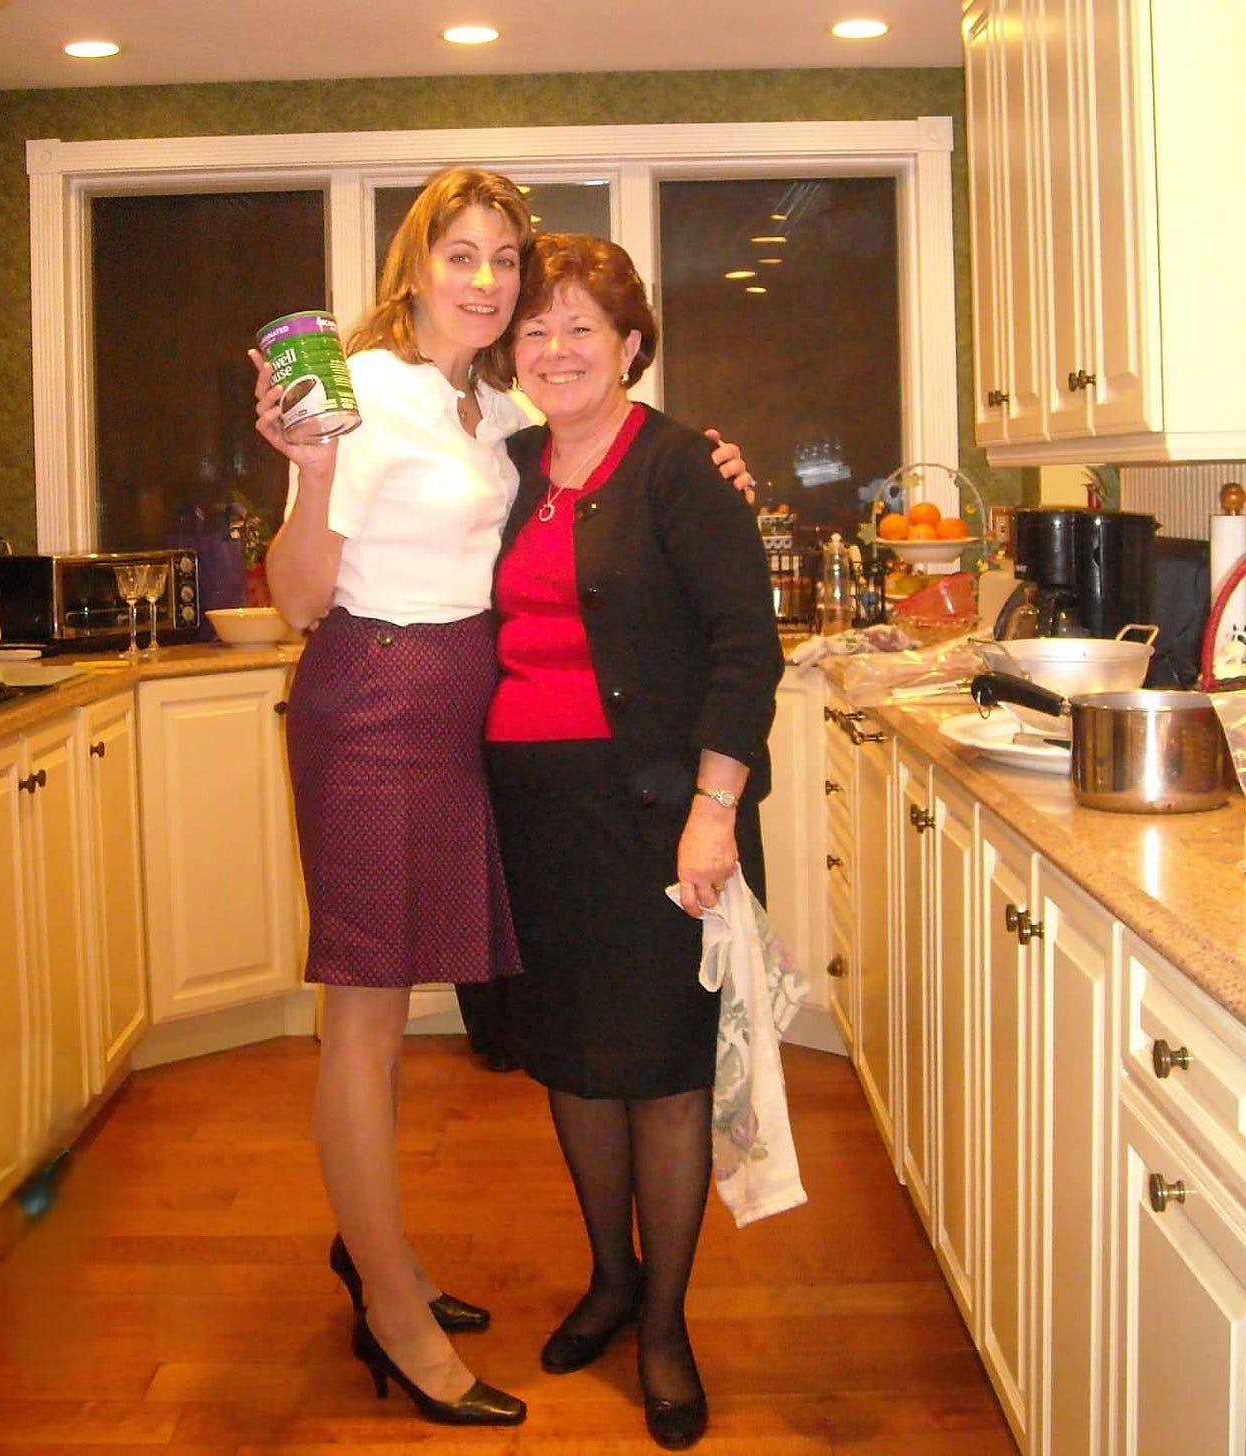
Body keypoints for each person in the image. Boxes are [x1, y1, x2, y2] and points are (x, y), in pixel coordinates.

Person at [250, 169, 752, 1430]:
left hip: (468, 721)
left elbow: (612, 506)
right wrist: (310, 475)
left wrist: (712, 470)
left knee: (406, 1007)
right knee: (362, 1022)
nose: (485, 282)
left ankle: (389, 1259)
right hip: (373, 705)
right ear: (414, 267)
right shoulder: (355, 393)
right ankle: (395, 1316)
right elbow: (300, 598)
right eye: (458, 256)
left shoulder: (489, 416)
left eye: (503, 262)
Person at [484, 233, 783, 1451]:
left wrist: (716, 806)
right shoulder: (500, 467)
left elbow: (742, 650)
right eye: (535, 329)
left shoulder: (681, 469)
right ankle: (608, 1275)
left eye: (582, 330)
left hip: (662, 819)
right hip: (534, 816)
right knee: (572, 1056)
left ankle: (662, 1319)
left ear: (630, 347)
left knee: (661, 1071)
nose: (554, 350)